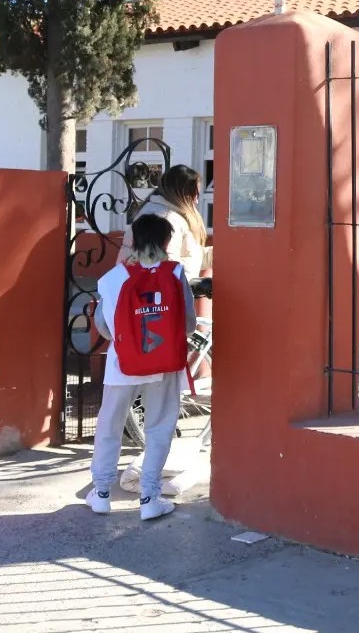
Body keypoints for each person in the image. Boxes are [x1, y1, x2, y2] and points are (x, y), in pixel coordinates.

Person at [89, 213, 197, 520]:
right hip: (165, 363)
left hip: (122, 364)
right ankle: (150, 496)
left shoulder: (113, 278)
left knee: (110, 423)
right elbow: (188, 324)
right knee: (159, 427)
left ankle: (102, 493)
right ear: (167, 241)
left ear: (133, 241)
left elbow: (104, 327)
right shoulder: (176, 273)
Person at [115, 165, 212, 497]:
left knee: (114, 415)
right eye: (195, 190)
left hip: (138, 326)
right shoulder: (167, 216)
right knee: (161, 415)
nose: (199, 197)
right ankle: (150, 493)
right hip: (159, 317)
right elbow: (165, 269)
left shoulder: (163, 210)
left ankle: (104, 490)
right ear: (183, 190)